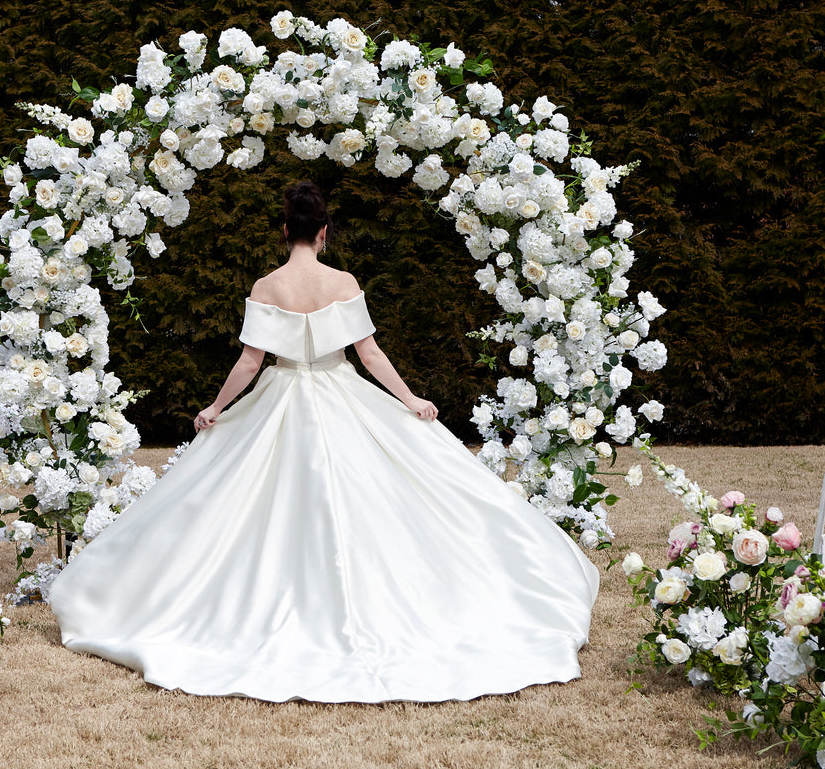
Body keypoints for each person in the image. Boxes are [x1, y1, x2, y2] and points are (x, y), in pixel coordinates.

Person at [50, 181, 599, 703]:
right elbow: (370, 355)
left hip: (281, 395)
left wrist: (217, 408)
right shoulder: (343, 283)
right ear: (324, 232)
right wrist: (410, 400)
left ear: (285, 229)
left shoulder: (267, 287)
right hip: (342, 392)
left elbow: (250, 362)